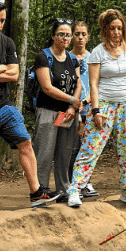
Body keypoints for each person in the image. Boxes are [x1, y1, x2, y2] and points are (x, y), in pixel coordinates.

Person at [0, 0, 59, 220]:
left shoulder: (8, 42)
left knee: (25, 142)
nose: (0, 24)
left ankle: (36, 193)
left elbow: (14, 74)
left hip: (5, 106)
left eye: (2, 20)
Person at [67, 9, 126, 208]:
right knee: (91, 148)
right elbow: (94, 84)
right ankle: (75, 189)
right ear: (105, 30)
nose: (116, 32)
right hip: (103, 105)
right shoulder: (98, 52)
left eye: (119, 28)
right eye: (112, 29)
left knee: (125, 149)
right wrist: (96, 110)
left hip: (125, 105)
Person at [31, 19, 84, 202]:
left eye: (68, 35)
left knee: (65, 152)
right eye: (61, 34)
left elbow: (78, 82)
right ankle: (41, 190)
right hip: (48, 110)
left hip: (67, 113)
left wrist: (72, 106)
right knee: (45, 152)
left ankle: (63, 189)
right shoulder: (43, 57)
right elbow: (47, 87)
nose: (65, 38)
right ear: (53, 36)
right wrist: (72, 100)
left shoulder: (72, 59)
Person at [70, 20, 98, 198]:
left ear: (88, 37)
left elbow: (98, 83)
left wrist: (87, 101)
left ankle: (86, 182)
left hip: (89, 107)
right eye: (77, 34)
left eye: (83, 34)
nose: (80, 37)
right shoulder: (66, 57)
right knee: (72, 147)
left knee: (88, 147)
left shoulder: (94, 57)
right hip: (71, 108)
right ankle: (72, 183)